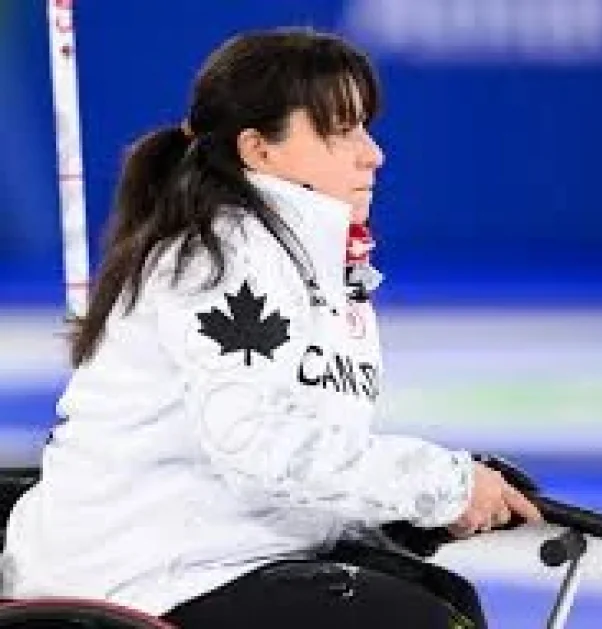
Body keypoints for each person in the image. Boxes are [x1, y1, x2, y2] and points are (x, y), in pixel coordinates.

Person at [1, 28, 542, 628]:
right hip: (139, 573)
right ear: (258, 150)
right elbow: (255, 441)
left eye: (365, 128)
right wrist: (440, 483)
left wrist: (409, 514)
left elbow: (280, 474)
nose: (372, 153)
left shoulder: (312, 267)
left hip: (217, 554)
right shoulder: (222, 259)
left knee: (444, 599)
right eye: (341, 131)